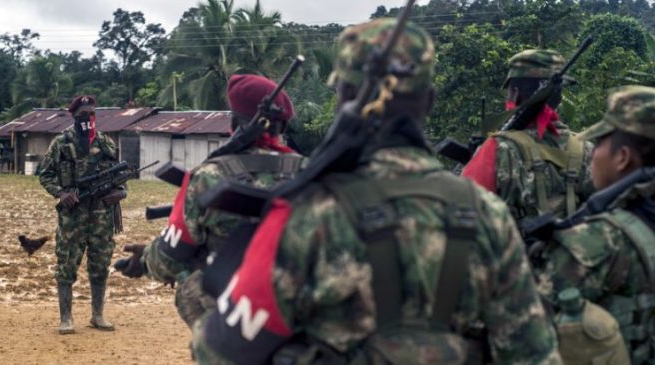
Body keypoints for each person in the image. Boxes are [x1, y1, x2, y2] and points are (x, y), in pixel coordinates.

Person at [189, 18, 561, 364]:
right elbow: (533, 354)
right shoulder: (487, 215)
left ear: (342, 99)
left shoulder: (309, 213)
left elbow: (218, 349)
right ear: (428, 101)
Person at [115, 74, 305, 329]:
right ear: (282, 127)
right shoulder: (310, 173)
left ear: (234, 122)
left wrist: (146, 260)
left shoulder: (210, 176)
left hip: (239, 312)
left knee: (189, 277)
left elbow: (170, 259)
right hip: (300, 303)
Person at [533, 85, 655, 364]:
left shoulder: (594, 242)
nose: (593, 153)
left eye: (600, 143)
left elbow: (524, 332)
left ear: (622, 157)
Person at [462, 49, 594, 228]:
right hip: (574, 253)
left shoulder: (498, 148)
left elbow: (463, 216)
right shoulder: (586, 148)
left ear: (514, 93)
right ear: (559, 97)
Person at [38, 95, 127, 334]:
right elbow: (45, 175)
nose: (88, 118)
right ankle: (66, 318)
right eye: (82, 115)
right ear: (74, 116)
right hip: (73, 216)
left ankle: (97, 316)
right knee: (66, 265)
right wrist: (61, 193)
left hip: (102, 216)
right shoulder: (61, 143)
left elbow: (121, 177)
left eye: (91, 113)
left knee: (100, 264)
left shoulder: (106, 143)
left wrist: (121, 193)